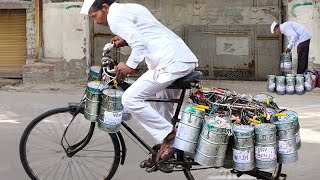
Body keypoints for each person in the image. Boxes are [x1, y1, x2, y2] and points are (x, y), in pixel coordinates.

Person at [80, 0, 198, 161]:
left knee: (129, 98)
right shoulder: (130, 8)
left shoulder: (114, 18)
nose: (96, 21)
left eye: (95, 16)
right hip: (179, 58)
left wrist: (129, 65)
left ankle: (169, 135)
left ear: (105, 8)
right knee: (163, 102)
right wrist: (125, 40)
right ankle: (170, 143)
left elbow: (140, 43)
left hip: (169, 63)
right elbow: (145, 32)